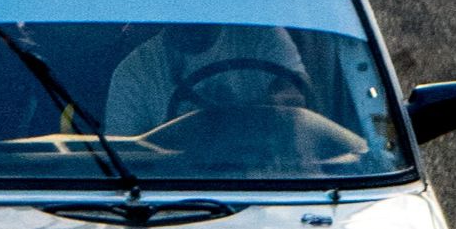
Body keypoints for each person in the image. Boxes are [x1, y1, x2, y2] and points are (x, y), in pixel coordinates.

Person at [103, 23, 309, 135]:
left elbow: (294, 96)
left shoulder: (261, 36)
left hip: (266, 176)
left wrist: (247, 115)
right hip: (174, 184)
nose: (190, 24)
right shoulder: (134, 71)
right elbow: (126, 156)